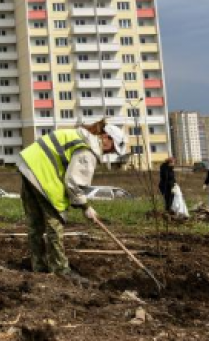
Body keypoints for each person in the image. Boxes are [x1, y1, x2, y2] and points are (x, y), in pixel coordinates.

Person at [16, 119, 127, 282]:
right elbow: (74, 182)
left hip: (28, 165)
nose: (110, 153)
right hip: (43, 173)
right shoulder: (88, 150)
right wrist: (85, 207)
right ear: (106, 137)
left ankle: (38, 266)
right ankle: (60, 269)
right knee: (55, 221)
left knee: (36, 223)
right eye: (112, 148)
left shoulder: (81, 136)